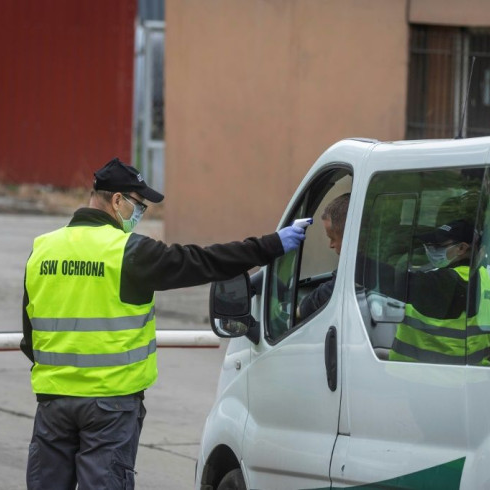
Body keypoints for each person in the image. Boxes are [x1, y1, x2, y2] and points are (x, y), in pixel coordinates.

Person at [20, 157, 306, 490]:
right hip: (110, 406)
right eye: (138, 206)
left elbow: (30, 338)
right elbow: (203, 262)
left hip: (53, 404)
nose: (140, 215)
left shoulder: (42, 250)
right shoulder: (129, 252)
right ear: (116, 200)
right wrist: (270, 246)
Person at [389, 219, 490, 365]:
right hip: (471, 375)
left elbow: (389, 280)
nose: (429, 250)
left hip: (430, 378)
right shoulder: (484, 277)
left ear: (461, 248)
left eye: (436, 246)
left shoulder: (453, 282)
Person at [297, 193, 349, 321]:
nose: (330, 245)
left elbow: (334, 289)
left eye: (332, 238)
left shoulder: (360, 270)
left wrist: (300, 310)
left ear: (349, 235)